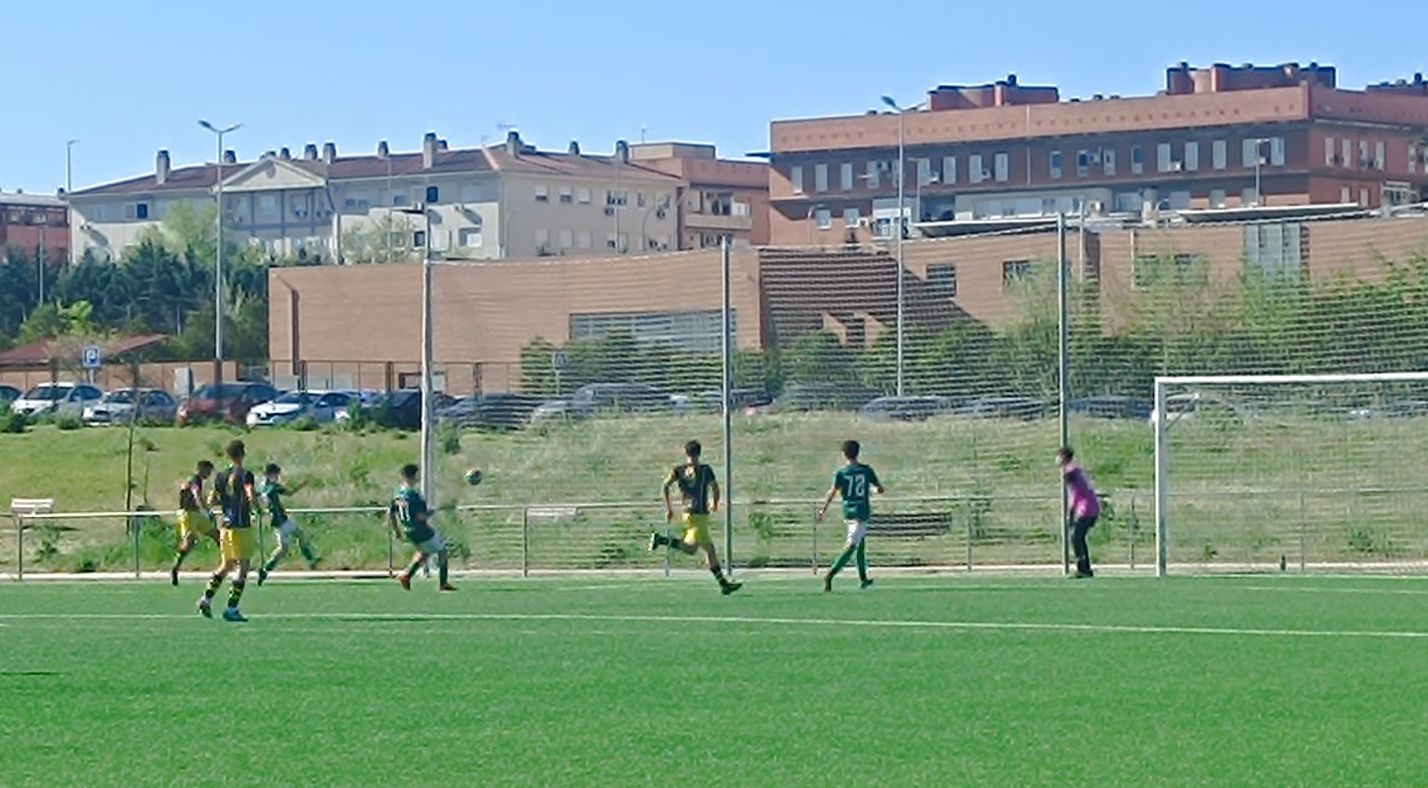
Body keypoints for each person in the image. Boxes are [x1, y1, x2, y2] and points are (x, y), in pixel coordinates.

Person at [648, 440, 742, 595]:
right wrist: (715, 503)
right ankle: (661, 540)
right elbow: (714, 487)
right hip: (696, 515)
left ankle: (724, 585)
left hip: (693, 515)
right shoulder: (702, 470)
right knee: (698, 549)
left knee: (704, 550)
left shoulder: (681, 470)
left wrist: (670, 508)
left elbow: (666, 486)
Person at [200, 440, 259, 622]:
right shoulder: (245, 474)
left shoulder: (221, 476)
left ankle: (207, 598)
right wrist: (257, 507)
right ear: (242, 453)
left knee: (226, 565)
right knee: (243, 567)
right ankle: (231, 608)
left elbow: (212, 499)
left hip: (225, 526)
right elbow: (249, 492)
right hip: (241, 526)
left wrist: (227, 503)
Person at [817, 440, 884, 592]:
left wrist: (823, 509)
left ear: (843, 454)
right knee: (851, 546)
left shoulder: (841, 473)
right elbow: (879, 488)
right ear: (858, 452)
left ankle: (863, 579)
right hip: (862, 512)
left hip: (849, 511)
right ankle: (830, 574)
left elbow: (832, 492)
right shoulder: (866, 470)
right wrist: (874, 491)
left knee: (860, 545)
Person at [389, 464, 455, 592]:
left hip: (409, 530)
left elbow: (391, 513)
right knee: (442, 550)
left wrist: (397, 530)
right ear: (414, 476)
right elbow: (420, 517)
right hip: (421, 530)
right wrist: (432, 512)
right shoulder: (413, 494)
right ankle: (443, 583)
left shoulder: (398, 494)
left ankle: (407, 575)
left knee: (425, 552)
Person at [256, 463, 319, 586]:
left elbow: (254, 496)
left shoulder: (261, 487)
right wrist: (302, 484)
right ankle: (265, 569)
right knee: (283, 549)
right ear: (270, 474)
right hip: (280, 521)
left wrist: (257, 508)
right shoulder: (273, 487)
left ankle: (311, 560)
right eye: (276, 474)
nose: (278, 477)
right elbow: (289, 493)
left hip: (282, 519)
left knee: (300, 535)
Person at [170, 460, 217, 586]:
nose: (209, 474)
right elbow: (197, 494)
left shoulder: (197, 481)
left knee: (217, 535)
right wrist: (206, 510)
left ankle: (228, 563)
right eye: (208, 471)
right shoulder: (194, 479)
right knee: (189, 542)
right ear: (201, 469)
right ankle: (175, 567)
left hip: (196, 514)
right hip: (188, 514)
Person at [1059, 447, 1100, 579]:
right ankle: (1085, 568)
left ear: (1064, 457)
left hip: (1086, 508)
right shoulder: (1078, 470)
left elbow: (1075, 494)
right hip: (1093, 506)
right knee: (1078, 537)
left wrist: (1071, 512)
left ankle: (1082, 568)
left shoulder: (1070, 472)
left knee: (1075, 537)